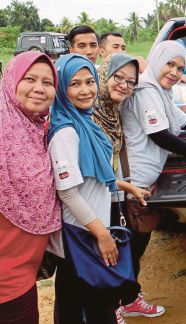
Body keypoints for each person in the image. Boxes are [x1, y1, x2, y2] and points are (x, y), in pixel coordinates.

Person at [119, 40, 186, 317]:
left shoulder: (162, 92)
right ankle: (119, 303)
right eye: (170, 64)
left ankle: (127, 298)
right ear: (157, 60)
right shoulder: (145, 91)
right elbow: (160, 135)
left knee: (138, 242)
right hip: (133, 181)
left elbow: (185, 123)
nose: (175, 72)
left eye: (180, 68)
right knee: (130, 245)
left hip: (146, 179)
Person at [48, 53, 137, 323]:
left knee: (83, 305)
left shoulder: (84, 122)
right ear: (61, 88)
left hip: (89, 226)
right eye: (74, 84)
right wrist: (102, 235)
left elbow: (90, 178)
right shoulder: (66, 133)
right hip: (80, 233)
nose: (85, 90)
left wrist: (122, 185)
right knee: (90, 308)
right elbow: (68, 192)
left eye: (90, 81)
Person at [92, 53, 165, 320]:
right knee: (107, 257)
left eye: (130, 82)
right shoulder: (91, 113)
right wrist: (127, 187)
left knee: (128, 250)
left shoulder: (114, 109)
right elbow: (90, 171)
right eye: (118, 77)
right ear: (103, 76)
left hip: (117, 193)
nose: (124, 85)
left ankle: (129, 299)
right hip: (97, 201)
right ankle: (111, 310)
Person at [0, 52, 61, 324]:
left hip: (25, 273)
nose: (39, 88)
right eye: (30, 79)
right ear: (11, 82)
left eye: (48, 83)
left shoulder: (38, 130)